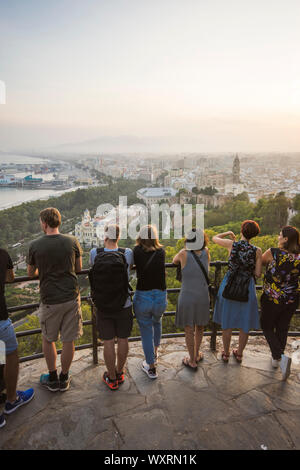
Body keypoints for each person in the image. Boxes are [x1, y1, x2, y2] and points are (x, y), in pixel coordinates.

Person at [27, 207, 83, 392]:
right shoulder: (71, 241)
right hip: (70, 297)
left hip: (49, 298)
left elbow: (30, 272)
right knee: (68, 340)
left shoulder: (35, 245)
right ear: (59, 221)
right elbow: (79, 267)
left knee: (48, 339)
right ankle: (64, 377)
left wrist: (42, 269)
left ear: (44, 223)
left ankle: (52, 377)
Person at [90, 224, 134, 390]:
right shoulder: (126, 253)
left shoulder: (95, 253)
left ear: (105, 235)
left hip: (102, 305)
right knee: (123, 339)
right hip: (123, 303)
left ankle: (111, 377)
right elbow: (129, 270)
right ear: (119, 236)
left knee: (108, 341)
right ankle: (120, 371)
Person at [212, 221, 262, 363]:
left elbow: (215, 238)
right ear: (254, 235)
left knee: (227, 322)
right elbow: (258, 274)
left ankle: (226, 353)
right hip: (247, 287)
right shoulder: (257, 250)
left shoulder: (231, 244)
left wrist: (228, 232)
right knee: (244, 323)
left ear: (241, 230)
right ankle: (239, 353)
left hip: (229, 285)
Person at [261, 226, 300, 380]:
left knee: (266, 326)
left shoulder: (273, 253)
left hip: (273, 297)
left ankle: (279, 358)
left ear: (285, 239)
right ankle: (277, 360)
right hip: (292, 298)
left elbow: (262, 261)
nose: (278, 237)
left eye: (280, 235)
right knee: (282, 328)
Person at [0, 248, 34, 428]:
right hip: (0, 319)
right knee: (11, 356)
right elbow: (10, 278)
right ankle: (12, 399)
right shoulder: (2, 254)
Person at [173, 228, 210, 370]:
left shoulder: (183, 254)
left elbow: (174, 260)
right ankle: (196, 354)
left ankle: (192, 360)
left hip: (187, 296)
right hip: (202, 295)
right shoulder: (206, 252)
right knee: (199, 327)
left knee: (189, 328)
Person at [133, 225, 167, 379]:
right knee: (157, 322)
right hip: (160, 295)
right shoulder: (161, 252)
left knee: (146, 330)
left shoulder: (137, 251)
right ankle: (155, 352)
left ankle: (151, 367)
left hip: (144, 295)